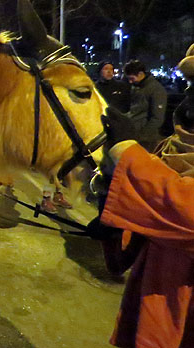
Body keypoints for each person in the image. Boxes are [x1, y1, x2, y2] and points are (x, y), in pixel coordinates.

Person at [87, 43, 194, 348]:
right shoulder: (172, 147)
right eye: (190, 86)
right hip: (153, 301)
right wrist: (116, 227)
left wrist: (128, 152)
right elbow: (151, 221)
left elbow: (186, 210)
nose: (189, 99)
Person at [124, 59, 167, 151]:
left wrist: (141, 136)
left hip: (146, 140)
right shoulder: (137, 87)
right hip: (134, 134)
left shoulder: (156, 90)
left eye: (132, 78)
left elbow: (157, 118)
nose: (130, 82)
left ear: (140, 74)